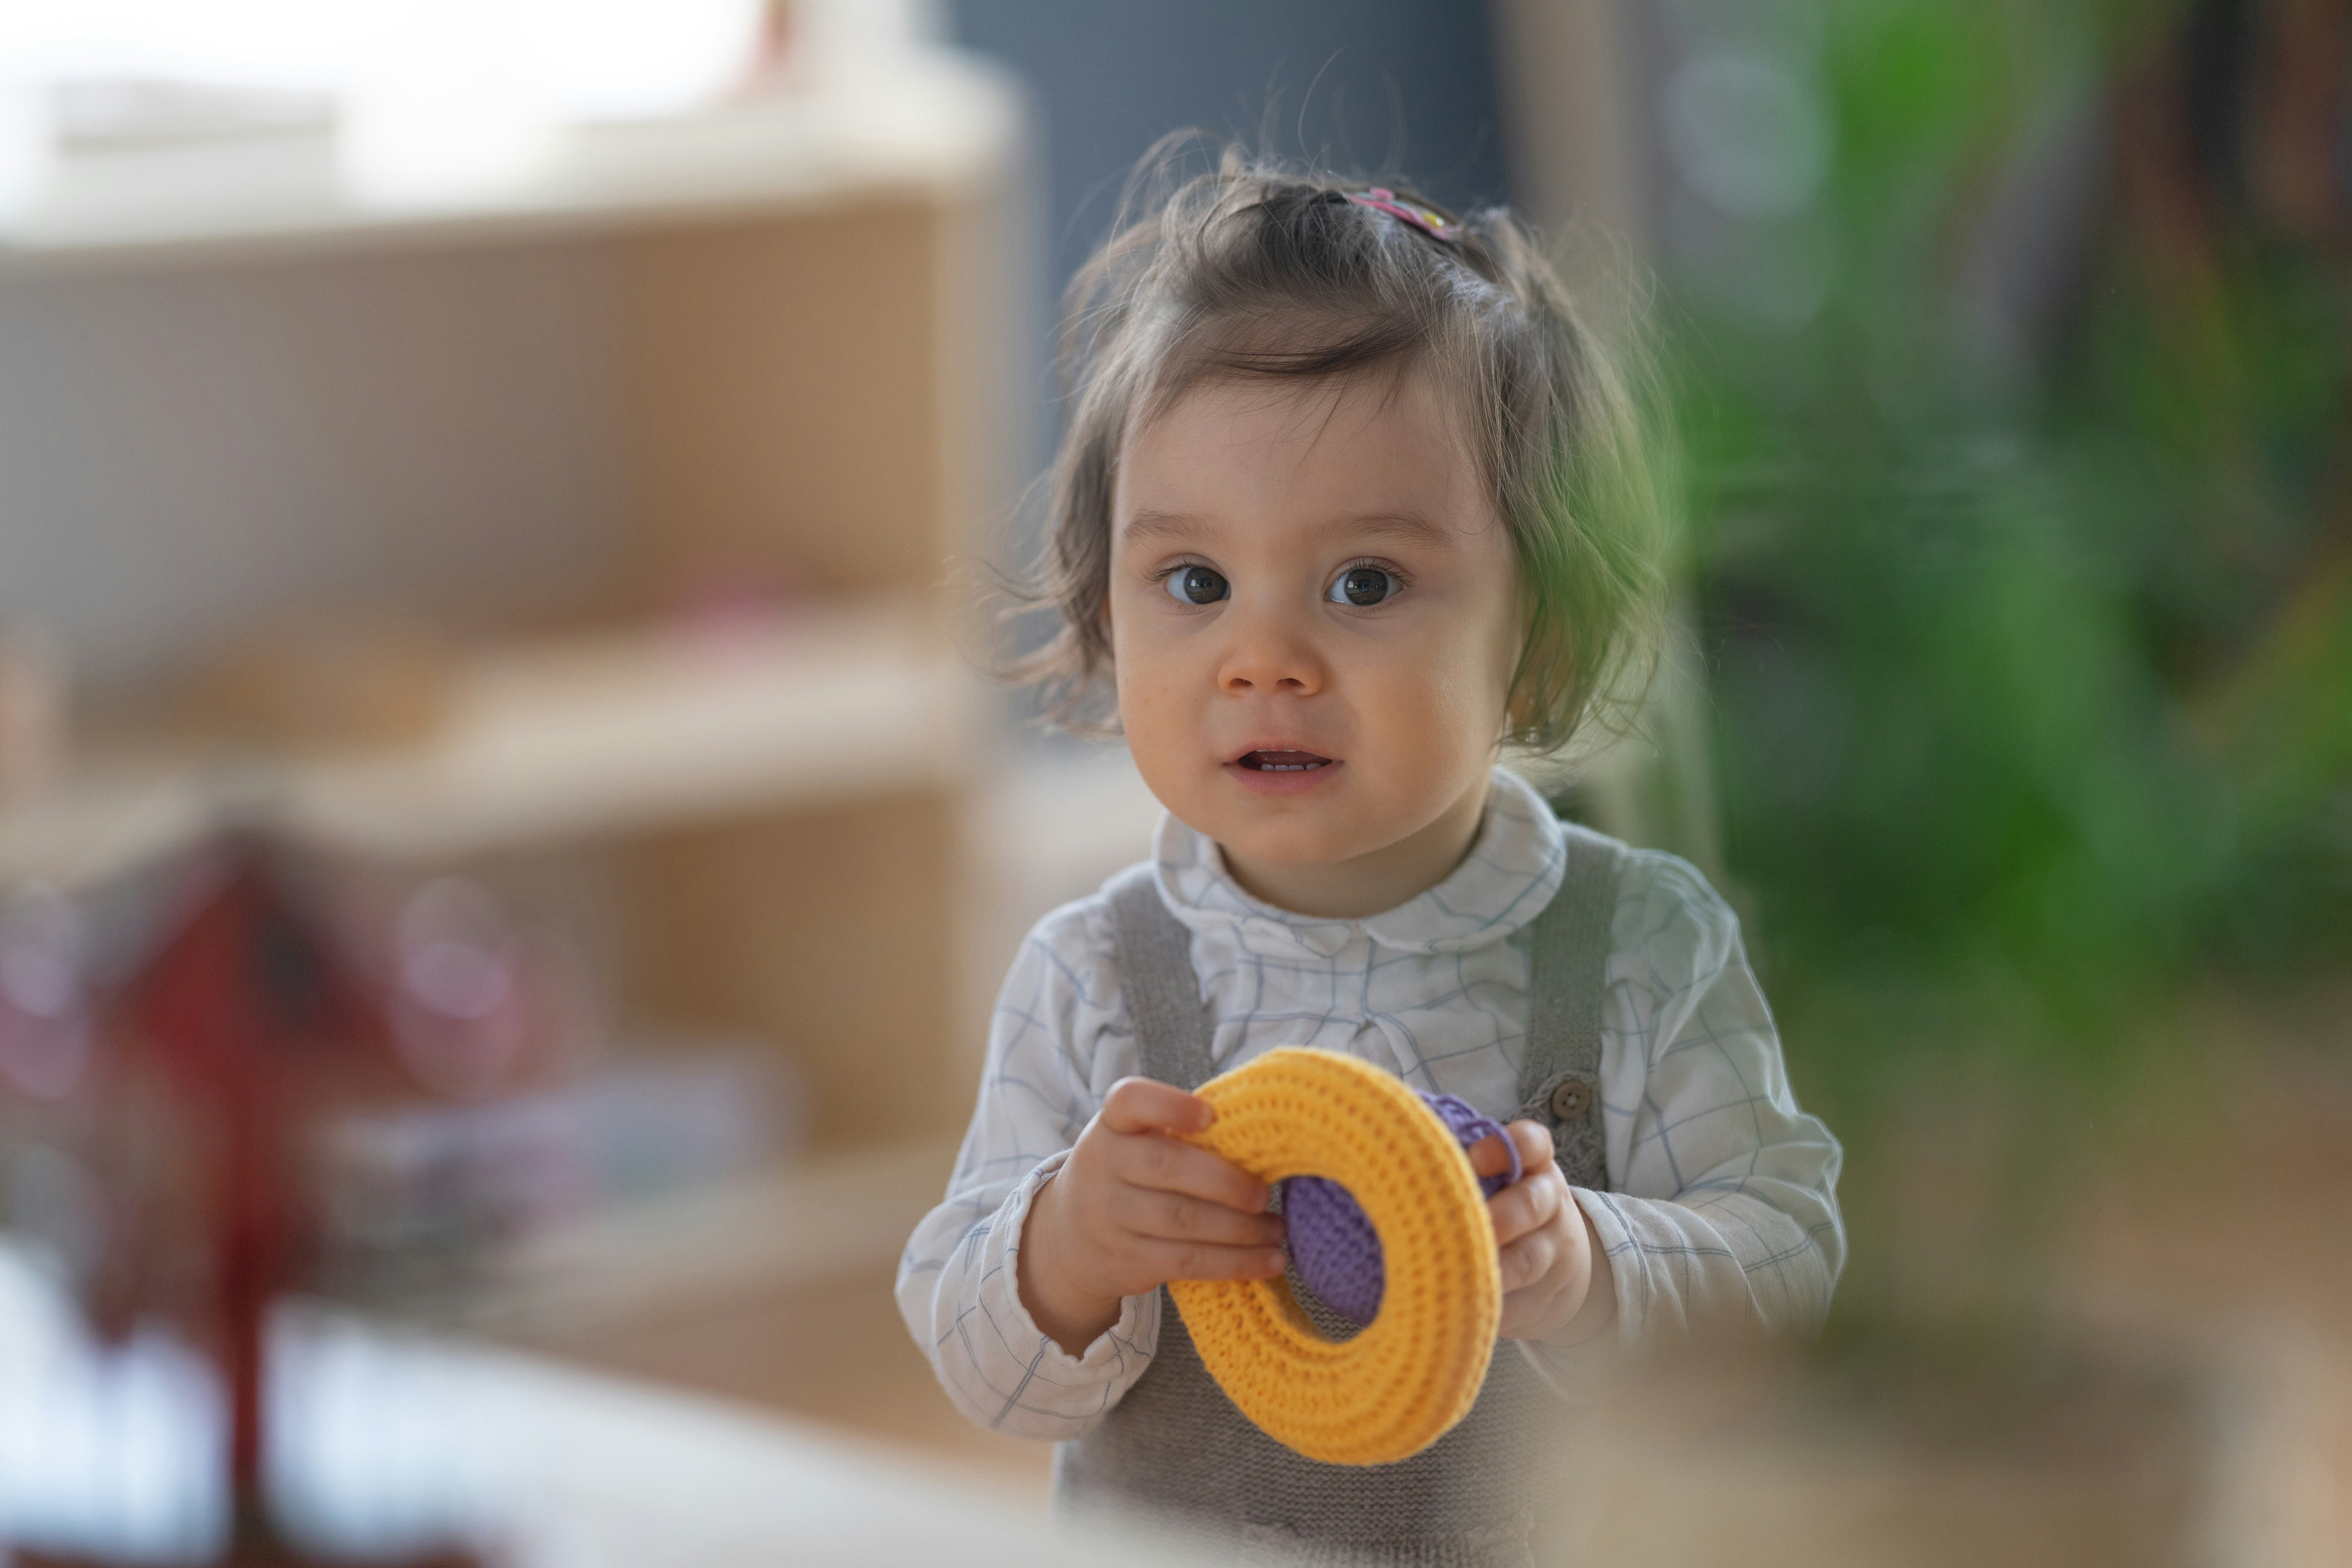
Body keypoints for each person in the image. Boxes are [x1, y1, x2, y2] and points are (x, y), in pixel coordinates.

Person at [896, 140, 1844, 1565]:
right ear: (1106, 611)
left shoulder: (1638, 949)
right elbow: (979, 1363)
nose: (1264, 659)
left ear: (1542, 641)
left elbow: (1790, 1276)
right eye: (1195, 583)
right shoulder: (1096, 976)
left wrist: (1595, 1266)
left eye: (1365, 583)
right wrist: (1067, 1246)